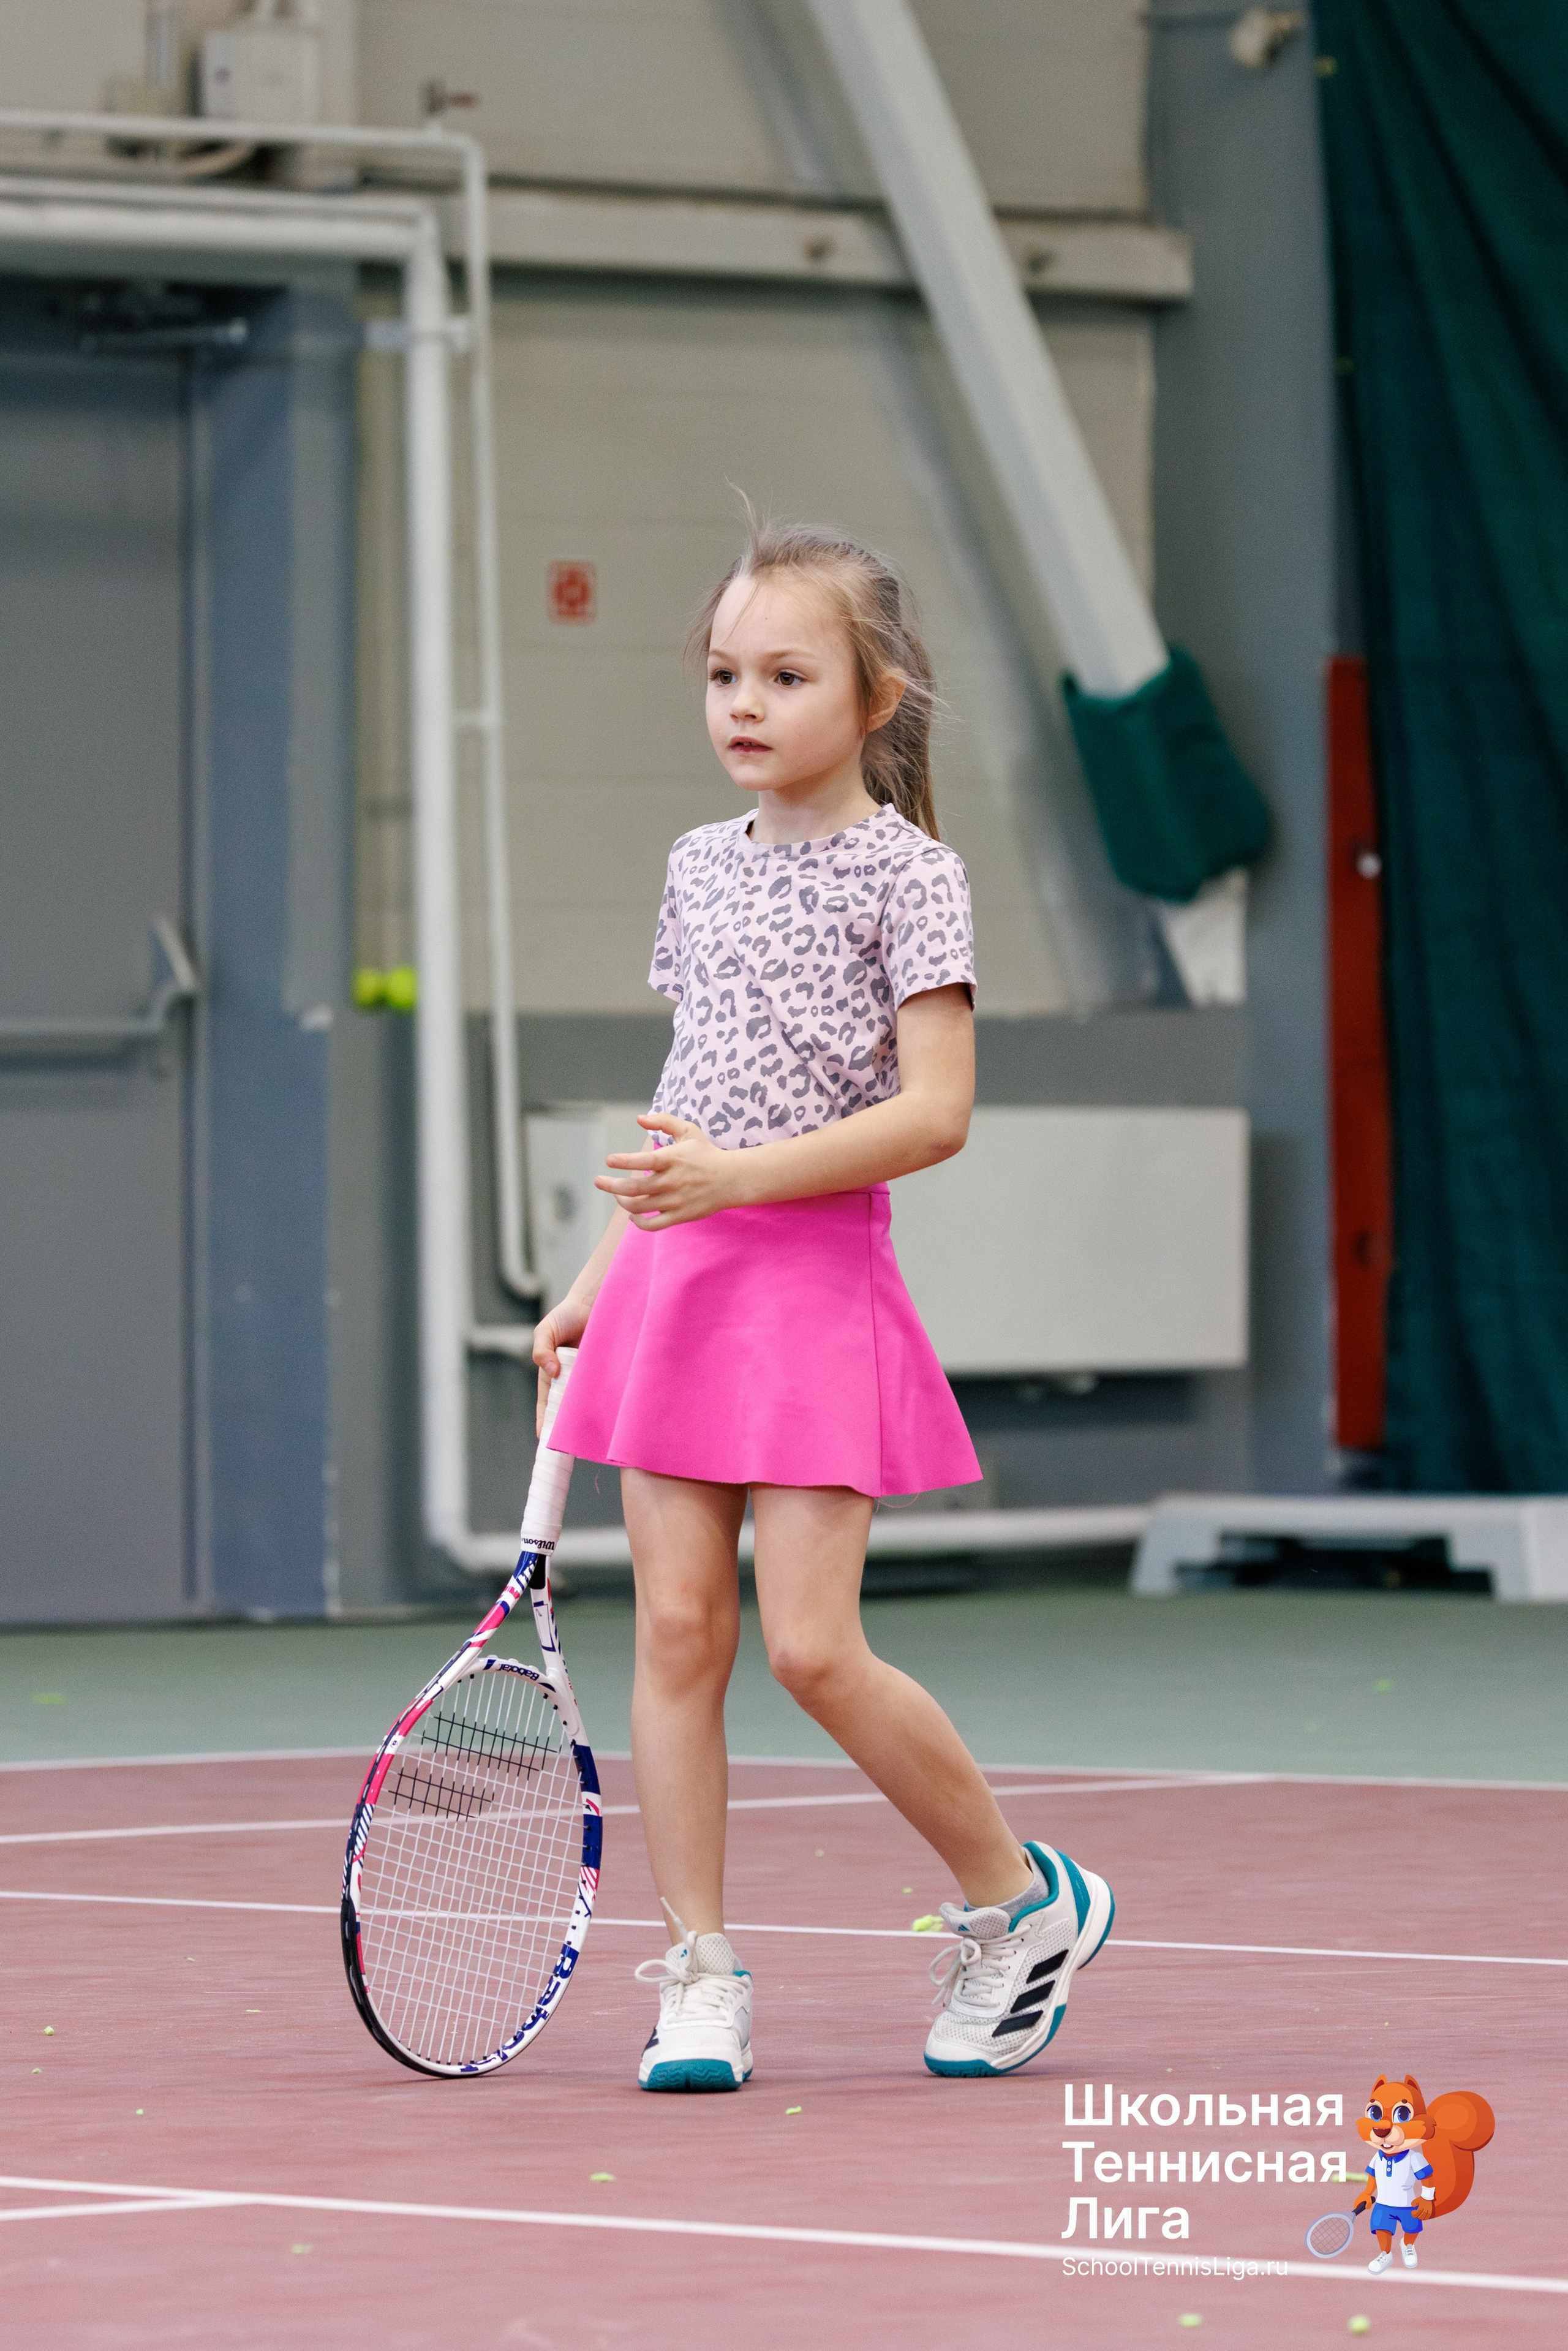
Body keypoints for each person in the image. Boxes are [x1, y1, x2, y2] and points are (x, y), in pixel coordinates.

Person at [533, 518, 1114, 2089]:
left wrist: (739, 1181)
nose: (744, 701)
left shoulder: (912, 876)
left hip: (804, 1276)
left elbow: (935, 1115)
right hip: (673, 1274)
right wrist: (595, 1279)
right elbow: (689, 1087)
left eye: (786, 674)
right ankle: (700, 1970)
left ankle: (1020, 1905)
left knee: (808, 1646)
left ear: (874, 696)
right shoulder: (692, 868)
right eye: (724, 672)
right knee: (673, 1628)